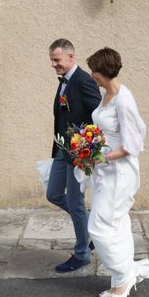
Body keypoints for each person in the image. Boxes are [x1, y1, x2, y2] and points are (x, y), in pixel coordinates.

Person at [86, 47, 149, 297]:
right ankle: (119, 281)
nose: (92, 76)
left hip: (119, 172)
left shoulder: (124, 100)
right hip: (105, 170)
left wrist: (101, 157)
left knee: (99, 226)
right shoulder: (107, 96)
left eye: (94, 71)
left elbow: (132, 146)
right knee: (117, 224)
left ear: (105, 72)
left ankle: (125, 274)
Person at [47, 39, 101, 273]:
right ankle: (92, 230)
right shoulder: (65, 81)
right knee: (53, 194)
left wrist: (87, 147)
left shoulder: (83, 80)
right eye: (52, 60)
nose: (54, 64)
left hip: (78, 153)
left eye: (57, 60)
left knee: (75, 201)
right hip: (61, 149)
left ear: (71, 57)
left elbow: (99, 114)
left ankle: (82, 254)